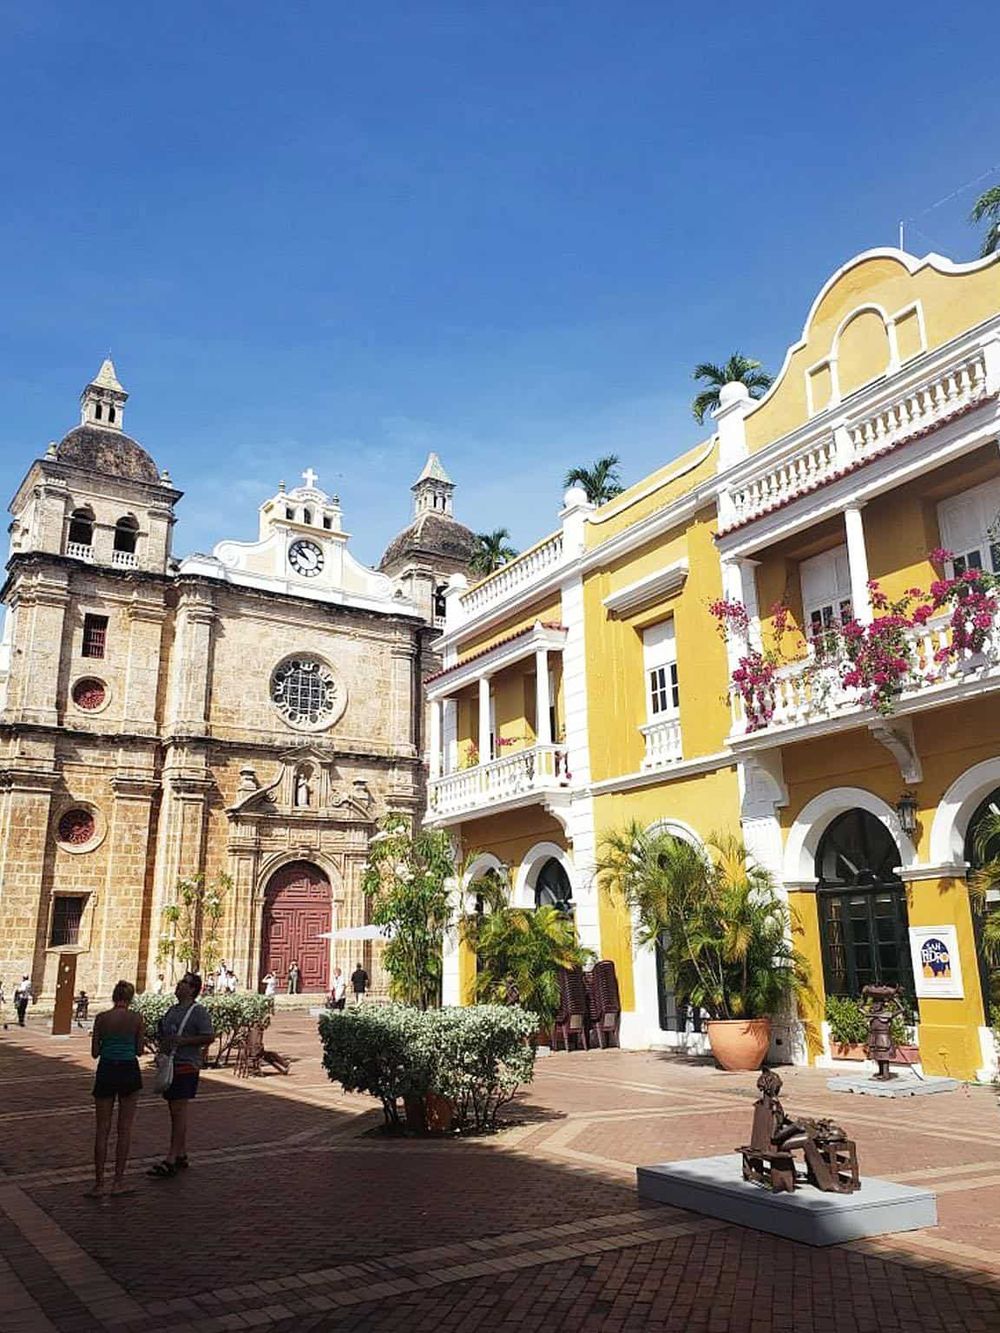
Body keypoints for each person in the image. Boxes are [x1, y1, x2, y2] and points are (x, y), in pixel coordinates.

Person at [147, 972, 214, 1179]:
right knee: (174, 1110)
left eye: (183, 983)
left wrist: (183, 1042)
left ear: (193, 989)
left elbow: (209, 1036)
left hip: (186, 1066)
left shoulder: (198, 1011)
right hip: (171, 1064)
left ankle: (171, 1158)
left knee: (178, 1110)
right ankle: (181, 1153)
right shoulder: (173, 1010)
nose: (178, 985)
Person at [89, 980, 144, 1197]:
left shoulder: (101, 1018)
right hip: (129, 1070)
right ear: (130, 998)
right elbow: (139, 1050)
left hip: (106, 1070)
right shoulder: (136, 1019)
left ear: (113, 996)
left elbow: (95, 1052)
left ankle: (99, 1183)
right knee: (125, 1129)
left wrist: (108, 1046)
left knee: (102, 1129)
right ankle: (118, 1181)